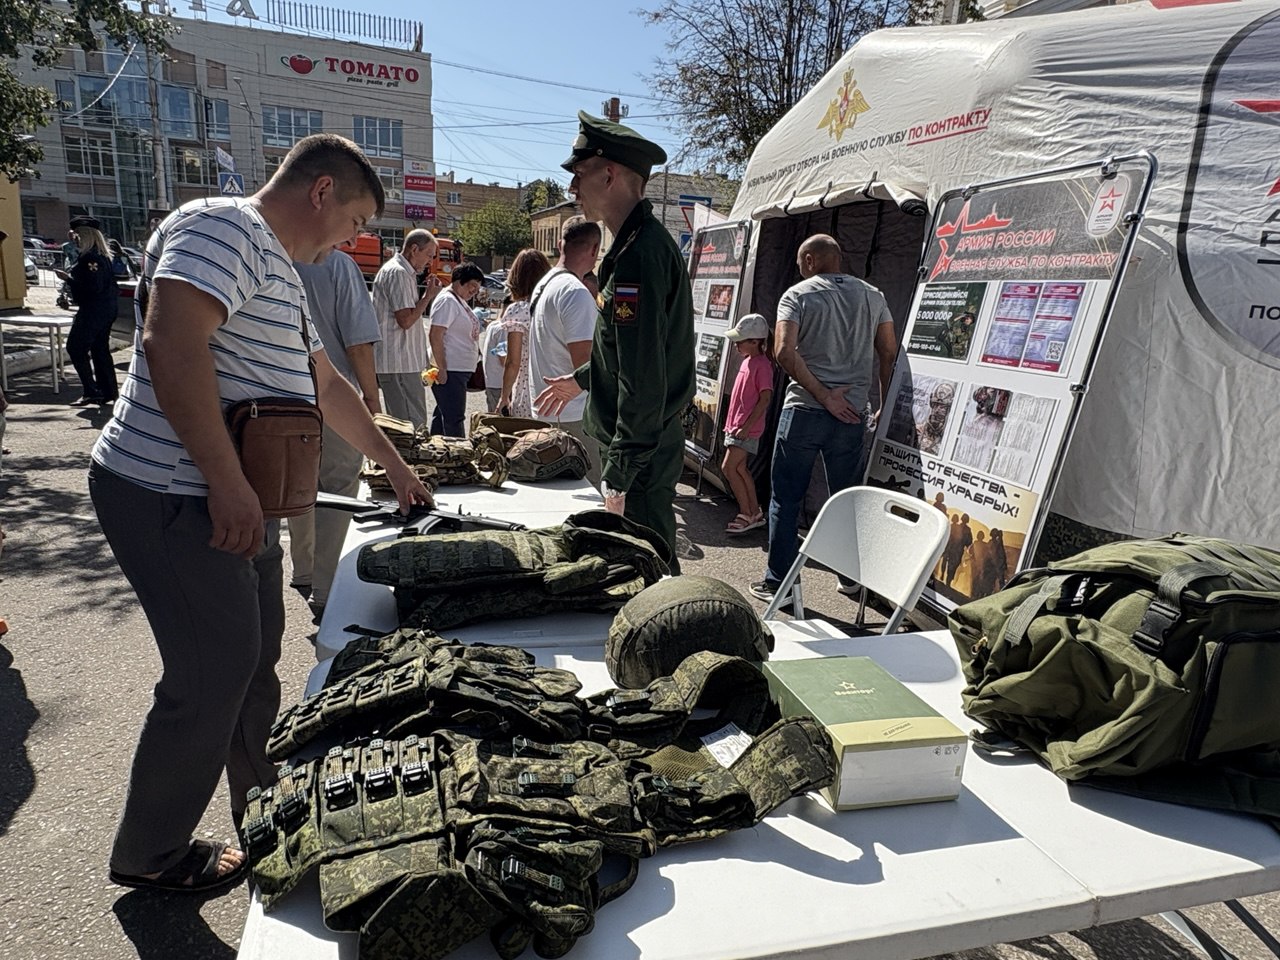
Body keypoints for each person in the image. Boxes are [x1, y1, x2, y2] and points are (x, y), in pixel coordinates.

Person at [87, 133, 432, 895]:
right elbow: (172, 344)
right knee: (212, 671)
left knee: (255, 655)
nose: (351, 241)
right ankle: (151, 851)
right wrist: (225, 482)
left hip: (227, 496)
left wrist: (394, 465)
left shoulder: (278, 265)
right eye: (354, 222)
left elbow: (328, 387)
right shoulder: (224, 226)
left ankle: (266, 806)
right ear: (321, 191)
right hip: (174, 492)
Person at [536, 112, 694, 571]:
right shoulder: (631, 246)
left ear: (609, 175)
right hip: (640, 441)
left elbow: (643, 376)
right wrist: (584, 378)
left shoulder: (638, 256)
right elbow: (626, 353)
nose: (572, 188)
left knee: (647, 570)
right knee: (640, 564)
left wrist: (620, 473)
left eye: (579, 174)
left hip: (639, 450)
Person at [749, 233, 897, 603]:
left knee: (786, 499)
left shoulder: (797, 295)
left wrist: (823, 394)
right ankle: (850, 578)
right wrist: (882, 403)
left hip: (804, 410)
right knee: (846, 501)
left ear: (811, 260)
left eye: (800, 262)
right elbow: (888, 352)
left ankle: (780, 585)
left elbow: (784, 351)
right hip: (852, 413)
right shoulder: (873, 295)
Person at [287, 247, 382, 622]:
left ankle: (304, 568)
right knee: (338, 487)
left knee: (298, 484)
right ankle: (326, 587)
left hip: (280, 400)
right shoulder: (339, 265)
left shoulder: (275, 254)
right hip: (332, 397)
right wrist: (371, 398)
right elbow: (358, 343)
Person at [527, 216, 602, 484]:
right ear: (595, 250)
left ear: (561, 244)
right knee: (591, 495)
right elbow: (585, 365)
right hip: (574, 415)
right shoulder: (576, 293)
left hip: (549, 410)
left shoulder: (545, 284)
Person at [373, 229, 442, 427]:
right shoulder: (399, 273)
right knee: (410, 425)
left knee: (408, 422)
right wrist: (428, 296)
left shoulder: (403, 272)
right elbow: (405, 321)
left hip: (401, 362)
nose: (430, 262)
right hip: (399, 362)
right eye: (428, 255)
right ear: (414, 249)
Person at [720, 313, 773, 535]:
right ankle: (754, 512)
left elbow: (765, 398)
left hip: (745, 429)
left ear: (755, 341)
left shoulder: (763, 365)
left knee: (729, 468)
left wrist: (746, 426)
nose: (736, 345)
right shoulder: (747, 361)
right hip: (737, 426)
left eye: (740, 341)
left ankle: (745, 513)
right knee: (741, 468)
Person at [64, 217, 120, 408]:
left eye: (77, 236)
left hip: (93, 310)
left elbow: (93, 288)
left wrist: (69, 280)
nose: (75, 239)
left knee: (75, 347)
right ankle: (108, 391)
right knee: (99, 348)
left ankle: (92, 390)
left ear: (85, 236)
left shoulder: (90, 258)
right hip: (106, 309)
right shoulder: (102, 256)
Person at [427, 262, 485, 436]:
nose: (474, 291)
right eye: (472, 286)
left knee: (444, 413)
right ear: (459, 281)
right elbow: (435, 334)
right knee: (454, 417)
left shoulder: (458, 301)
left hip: (458, 368)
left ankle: (436, 446)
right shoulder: (448, 301)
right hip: (451, 368)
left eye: (477, 288)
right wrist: (441, 367)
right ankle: (458, 449)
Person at [497, 248, 552, 418]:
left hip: (527, 388)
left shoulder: (519, 310)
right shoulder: (552, 307)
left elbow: (513, 361)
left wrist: (504, 396)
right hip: (554, 388)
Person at [481, 311, 508, 413]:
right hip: (500, 382)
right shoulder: (503, 329)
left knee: (493, 413)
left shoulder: (493, 325)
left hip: (492, 380)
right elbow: (503, 357)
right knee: (500, 416)